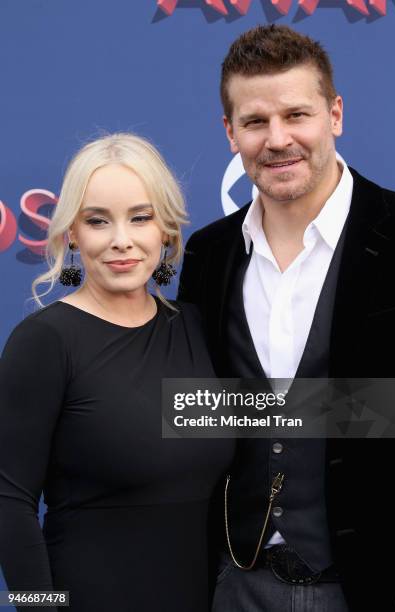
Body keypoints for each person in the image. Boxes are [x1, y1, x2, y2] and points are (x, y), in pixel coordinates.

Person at [178, 25, 395, 612]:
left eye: (297, 115)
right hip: (234, 585)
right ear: (230, 132)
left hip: (375, 587)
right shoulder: (207, 255)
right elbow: (197, 412)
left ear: (335, 114)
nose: (278, 139)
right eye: (255, 122)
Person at [0, 133, 233, 612]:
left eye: (140, 217)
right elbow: (7, 501)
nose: (121, 240)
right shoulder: (45, 342)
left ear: (166, 230)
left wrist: (392, 412)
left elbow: (282, 417)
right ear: (72, 234)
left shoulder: (196, 328)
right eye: (98, 221)